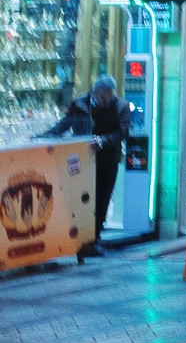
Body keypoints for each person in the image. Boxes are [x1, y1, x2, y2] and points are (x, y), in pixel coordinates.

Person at [43, 75, 130, 243]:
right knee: (82, 199)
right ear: (96, 92)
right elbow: (64, 125)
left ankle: (94, 238)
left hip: (107, 160)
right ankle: (79, 236)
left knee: (102, 198)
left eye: (111, 95)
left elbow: (123, 133)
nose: (108, 100)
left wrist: (102, 141)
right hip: (82, 160)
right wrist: (43, 137)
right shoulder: (80, 104)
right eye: (104, 96)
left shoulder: (121, 107)